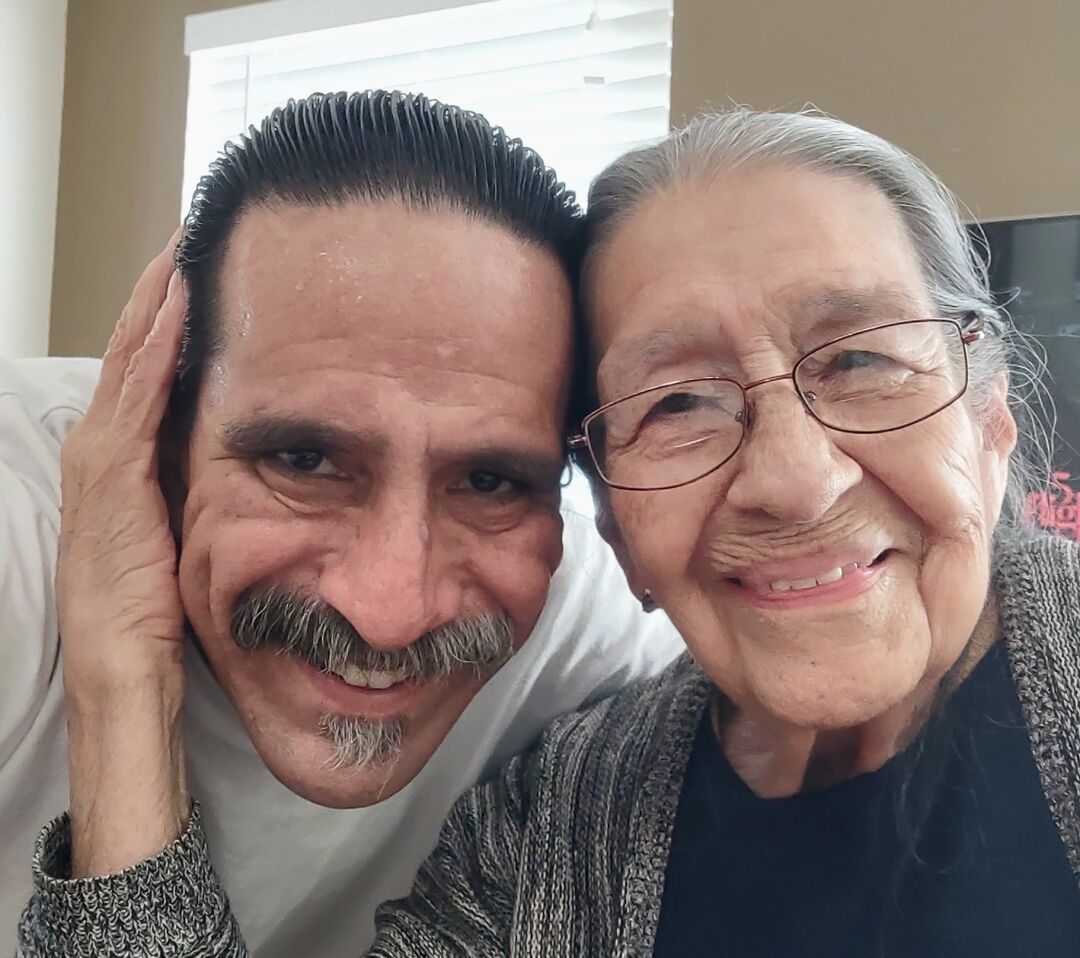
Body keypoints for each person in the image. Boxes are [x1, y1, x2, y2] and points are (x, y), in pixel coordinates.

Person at [23, 107, 1080, 956]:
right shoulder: (551, 826)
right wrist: (120, 687)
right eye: (679, 402)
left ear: (992, 419)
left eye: (863, 360)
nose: (796, 484)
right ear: (615, 522)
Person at [5, 89, 683, 956]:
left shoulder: (577, 622)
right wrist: (115, 677)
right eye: (304, 461)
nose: (390, 610)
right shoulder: (18, 546)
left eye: (487, 480)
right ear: (167, 437)